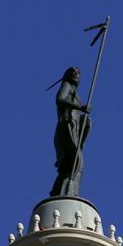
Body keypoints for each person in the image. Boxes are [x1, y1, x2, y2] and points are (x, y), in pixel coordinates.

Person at [50, 66, 91, 197]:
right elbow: (60, 99)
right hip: (67, 126)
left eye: (78, 72)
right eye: (72, 71)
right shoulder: (66, 85)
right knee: (76, 162)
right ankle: (69, 192)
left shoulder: (73, 91)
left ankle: (61, 192)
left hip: (72, 128)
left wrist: (84, 121)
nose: (76, 73)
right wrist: (80, 107)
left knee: (71, 163)